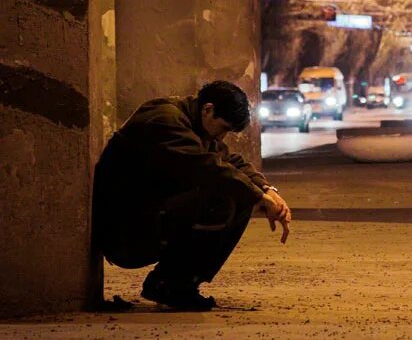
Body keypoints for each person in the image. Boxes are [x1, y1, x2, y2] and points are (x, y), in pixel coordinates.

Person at [93, 80, 291, 311]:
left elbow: (228, 161)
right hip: (125, 230)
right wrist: (257, 196)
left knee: (239, 195)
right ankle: (170, 283)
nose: (223, 137)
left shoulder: (196, 124)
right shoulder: (164, 119)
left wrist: (267, 191)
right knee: (220, 199)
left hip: (149, 215)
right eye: (224, 128)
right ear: (208, 109)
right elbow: (208, 168)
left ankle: (180, 283)